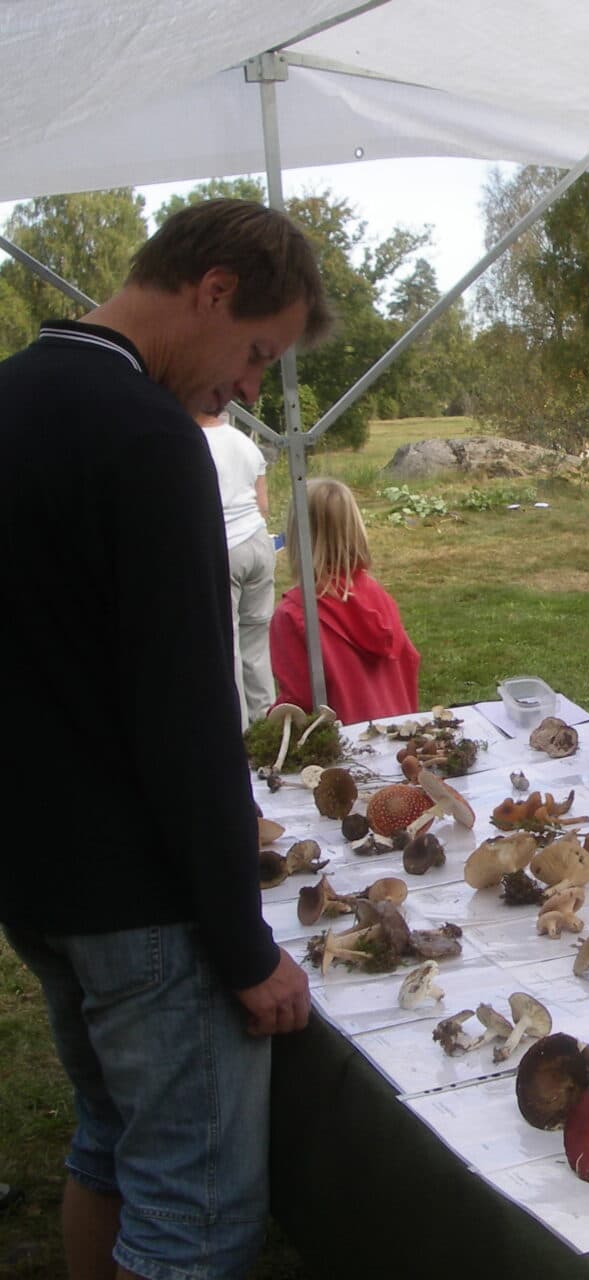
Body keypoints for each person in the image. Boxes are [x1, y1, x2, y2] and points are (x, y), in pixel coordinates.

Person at [0, 199, 329, 1279]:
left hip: (38, 878)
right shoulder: (149, 440)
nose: (246, 386)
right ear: (215, 289)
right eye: (255, 353)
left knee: (108, 1140)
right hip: (142, 901)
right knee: (191, 1216)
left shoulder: (13, 394)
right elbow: (186, 713)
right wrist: (243, 945)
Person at [270, 477, 420, 724]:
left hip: (342, 751)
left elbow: (297, 707)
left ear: (297, 535)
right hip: (398, 740)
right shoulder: (377, 596)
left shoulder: (293, 615)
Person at [199, 409, 277, 727]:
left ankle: (239, 731)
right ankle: (269, 727)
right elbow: (264, 506)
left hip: (223, 545)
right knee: (256, 641)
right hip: (258, 543)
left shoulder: (194, 442)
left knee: (227, 645)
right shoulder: (245, 442)